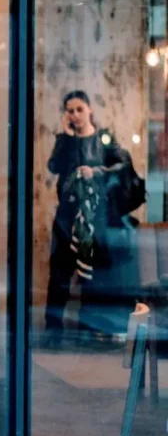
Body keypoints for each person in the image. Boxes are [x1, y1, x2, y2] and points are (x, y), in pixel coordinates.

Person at [45, 90, 139, 343]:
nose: (75, 115)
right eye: (70, 110)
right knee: (60, 273)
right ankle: (54, 330)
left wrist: (97, 171)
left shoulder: (103, 138)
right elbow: (53, 166)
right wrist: (66, 136)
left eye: (79, 109)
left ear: (89, 110)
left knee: (91, 276)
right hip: (67, 217)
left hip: (95, 217)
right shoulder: (65, 139)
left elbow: (123, 166)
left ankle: (88, 328)